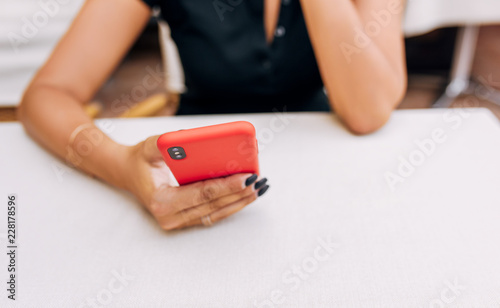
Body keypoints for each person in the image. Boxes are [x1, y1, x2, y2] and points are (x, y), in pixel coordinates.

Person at [18, 0, 407, 230]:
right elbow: (46, 96)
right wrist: (122, 166)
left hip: (326, 164)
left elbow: (366, 113)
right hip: (194, 168)